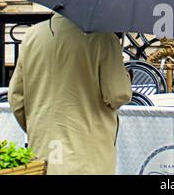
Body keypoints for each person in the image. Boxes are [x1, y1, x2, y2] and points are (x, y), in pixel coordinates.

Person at [8, 14, 132, 175]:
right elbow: (118, 94)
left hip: (43, 151)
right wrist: (125, 75)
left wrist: (37, 127)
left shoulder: (32, 35)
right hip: (89, 156)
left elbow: (16, 98)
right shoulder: (104, 38)